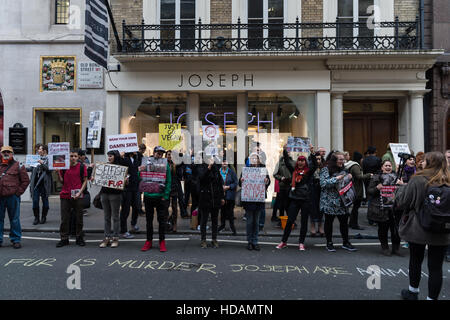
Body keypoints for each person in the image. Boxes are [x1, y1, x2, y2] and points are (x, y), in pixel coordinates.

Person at [396, 152, 450, 300]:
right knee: (436, 267)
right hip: (443, 228)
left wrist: (400, 188)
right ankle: (432, 298)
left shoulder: (418, 179)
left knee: (415, 259)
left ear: (430, 163)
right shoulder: (448, 180)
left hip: (418, 227)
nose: (422, 163)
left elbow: (402, 202)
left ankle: (413, 292)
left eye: (425, 161)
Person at [276, 145, 317, 251]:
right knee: (290, 221)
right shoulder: (293, 171)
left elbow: (315, 165)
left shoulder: (308, 172)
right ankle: (283, 241)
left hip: (305, 199)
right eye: (299, 160)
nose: (300, 162)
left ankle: (301, 243)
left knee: (304, 222)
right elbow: (287, 161)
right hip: (294, 198)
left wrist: (312, 152)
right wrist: (285, 150)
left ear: (305, 163)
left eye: (303, 161)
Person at [320, 151, 357, 252]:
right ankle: (329, 243)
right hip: (329, 202)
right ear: (334, 160)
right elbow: (323, 183)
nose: (342, 161)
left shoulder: (344, 170)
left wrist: (349, 178)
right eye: (340, 159)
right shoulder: (325, 169)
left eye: (343, 159)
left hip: (342, 202)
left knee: (344, 223)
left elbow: (346, 184)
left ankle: (346, 242)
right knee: (329, 223)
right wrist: (336, 179)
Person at [139, 146, 171, 252]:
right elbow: (141, 178)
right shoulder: (146, 162)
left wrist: (165, 195)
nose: (160, 155)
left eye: (161, 153)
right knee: (149, 221)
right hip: (148, 196)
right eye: (158, 153)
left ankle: (162, 241)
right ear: (154, 152)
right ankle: (149, 241)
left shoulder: (165, 164)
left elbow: (168, 181)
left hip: (160, 197)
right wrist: (140, 171)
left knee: (161, 221)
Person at [367, 160, 401, 256]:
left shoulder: (397, 177)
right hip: (381, 208)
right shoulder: (376, 177)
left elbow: (404, 192)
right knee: (383, 229)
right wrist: (376, 188)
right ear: (382, 167)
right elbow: (369, 191)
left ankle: (396, 248)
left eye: (390, 166)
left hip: (395, 208)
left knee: (396, 229)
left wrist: (401, 185)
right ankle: (385, 247)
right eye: (386, 165)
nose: (388, 167)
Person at [56, 149, 88, 247]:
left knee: (79, 218)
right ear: (68, 157)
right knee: (65, 218)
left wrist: (80, 192)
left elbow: (85, 181)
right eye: (71, 156)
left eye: (75, 156)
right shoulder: (63, 167)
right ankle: (64, 238)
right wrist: (57, 173)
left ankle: (79, 237)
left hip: (78, 195)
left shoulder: (82, 167)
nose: (73, 158)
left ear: (78, 157)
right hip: (65, 195)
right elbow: (62, 181)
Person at [0, 146, 30, 249]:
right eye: (4, 152)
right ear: (1, 153)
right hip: (0, 197)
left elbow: (26, 181)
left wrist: (18, 193)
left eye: (8, 152)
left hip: (13, 197)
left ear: (12, 153)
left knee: (14, 219)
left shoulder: (19, 165)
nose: (6, 153)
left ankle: (16, 240)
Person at [240, 153, 270, 251]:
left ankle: (255, 241)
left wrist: (266, 180)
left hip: (258, 200)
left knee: (256, 222)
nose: (254, 160)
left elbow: (268, 181)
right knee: (249, 222)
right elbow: (240, 183)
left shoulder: (263, 169)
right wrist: (241, 180)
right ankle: (249, 241)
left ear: (258, 160)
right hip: (249, 200)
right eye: (252, 158)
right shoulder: (246, 169)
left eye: (255, 158)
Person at [197, 155, 225, 248]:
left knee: (215, 220)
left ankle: (214, 239)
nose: (211, 161)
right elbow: (201, 179)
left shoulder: (216, 169)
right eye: (209, 158)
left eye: (212, 159)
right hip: (205, 197)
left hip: (215, 198)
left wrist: (222, 197)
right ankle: (203, 239)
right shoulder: (201, 167)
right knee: (204, 220)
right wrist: (208, 168)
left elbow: (220, 184)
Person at [98, 150, 123, 248]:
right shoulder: (104, 166)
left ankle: (115, 238)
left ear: (115, 156)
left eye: (111, 156)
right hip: (104, 193)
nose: (109, 158)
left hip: (115, 195)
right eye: (108, 156)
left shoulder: (120, 167)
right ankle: (107, 237)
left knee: (115, 217)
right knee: (106, 217)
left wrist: (125, 180)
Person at [345, 151, 372, 230]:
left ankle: (351, 223)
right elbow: (359, 177)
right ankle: (354, 224)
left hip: (353, 188)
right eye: (361, 158)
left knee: (354, 208)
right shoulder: (355, 166)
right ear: (359, 159)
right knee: (355, 208)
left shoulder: (351, 164)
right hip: (357, 189)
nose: (362, 160)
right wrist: (369, 175)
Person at [120, 151, 142, 238]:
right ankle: (124, 230)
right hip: (127, 188)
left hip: (135, 187)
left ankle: (133, 225)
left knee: (137, 206)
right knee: (125, 209)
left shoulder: (137, 159)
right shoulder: (124, 159)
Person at [28, 145, 52, 225]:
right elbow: (31, 169)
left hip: (44, 184)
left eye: (40, 149)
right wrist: (23, 167)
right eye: (38, 149)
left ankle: (43, 217)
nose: (38, 150)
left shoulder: (49, 159)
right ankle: (36, 218)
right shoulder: (35, 158)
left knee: (45, 201)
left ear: (45, 150)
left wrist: (42, 163)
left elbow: (49, 170)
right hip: (35, 183)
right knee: (35, 201)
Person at [273, 146, 295, 225]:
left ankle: (291, 220)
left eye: (289, 151)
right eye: (286, 151)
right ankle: (280, 220)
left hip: (290, 186)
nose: (288, 152)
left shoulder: (294, 162)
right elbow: (275, 174)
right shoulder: (280, 163)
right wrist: (281, 178)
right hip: (282, 186)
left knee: (290, 204)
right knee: (281, 204)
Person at [166, 150, 184, 233]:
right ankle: (167, 223)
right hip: (166, 188)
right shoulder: (163, 164)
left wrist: (179, 154)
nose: (169, 156)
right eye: (168, 155)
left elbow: (182, 162)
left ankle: (174, 224)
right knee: (165, 207)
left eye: (171, 155)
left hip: (174, 188)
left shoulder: (176, 164)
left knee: (174, 207)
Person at [218, 158, 238, 235]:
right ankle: (222, 226)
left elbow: (235, 183)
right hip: (221, 196)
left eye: (226, 161)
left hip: (230, 196)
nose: (224, 163)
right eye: (223, 162)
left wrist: (228, 187)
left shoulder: (231, 172)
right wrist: (220, 187)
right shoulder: (218, 172)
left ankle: (233, 228)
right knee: (222, 212)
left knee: (230, 213)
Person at [310, 151, 325, 236]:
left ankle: (320, 226)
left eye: (319, 159)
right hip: (313, 188)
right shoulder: (311, 167)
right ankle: (312, 226)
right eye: (316, 159)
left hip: (321, 188)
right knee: (312, 208)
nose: (318, 161)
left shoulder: (324, 167)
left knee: (321, 208)